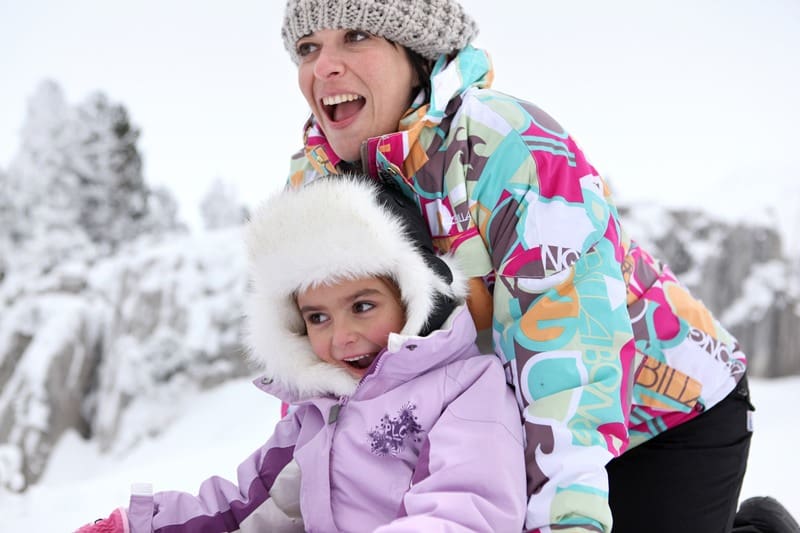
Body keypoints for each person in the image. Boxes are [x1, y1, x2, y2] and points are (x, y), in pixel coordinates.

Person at [279, 0, 757, 531]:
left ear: (415, 53)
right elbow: (310, 364)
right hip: (487, 435)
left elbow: (569, 333)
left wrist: (567, 511)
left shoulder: (507, 143)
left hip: (663, 416)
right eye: (308, 48)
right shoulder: (314, 186)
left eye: (356, 37)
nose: (324, 67)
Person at [74, 176, 527, 532]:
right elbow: (243, 508)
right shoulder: (318, 414)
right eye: (317, 318)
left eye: (363, 306)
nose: (342, 337)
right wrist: (139, 526)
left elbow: (466, 509)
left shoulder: (466, 387)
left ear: (413, 297)